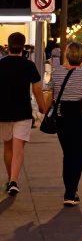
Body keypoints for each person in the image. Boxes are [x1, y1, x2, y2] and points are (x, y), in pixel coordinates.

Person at [47, 40, 82, 205]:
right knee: (77, 156)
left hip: (62, 120)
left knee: (68, 154)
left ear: (67, 55)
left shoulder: (56, 73)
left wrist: (45, 110)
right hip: (81, 120)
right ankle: (71, 192)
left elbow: (49, 97)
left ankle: (70, 190)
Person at [0, 32, 47, 195]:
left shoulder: (1, 64)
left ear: (8, 45)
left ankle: (10, 179)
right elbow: (37, 88)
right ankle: (14, 180)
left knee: (7, 146)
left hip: (3, 112)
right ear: (23, 45)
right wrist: (42, 107)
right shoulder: (29, 66)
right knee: (18, 147)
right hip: (23, 112)